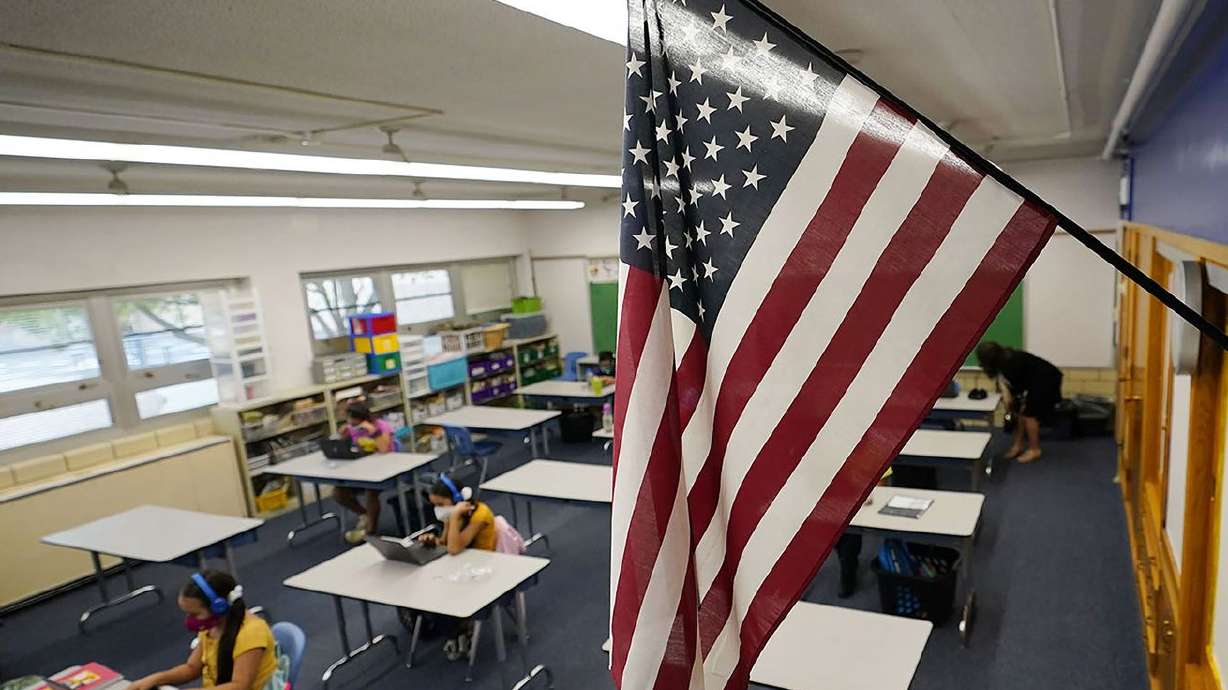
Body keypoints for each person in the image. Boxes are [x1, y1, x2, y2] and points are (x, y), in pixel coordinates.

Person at [129, 570, 277, 690]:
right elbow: (192, 668)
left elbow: (239, 686)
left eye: (194, 614)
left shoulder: (251, 633)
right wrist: (155, 679)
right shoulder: (211, 626)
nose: (189, 619)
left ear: (219, 607)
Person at [415, 475, 498, 660]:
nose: (438, 510)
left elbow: (453, 548)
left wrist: (453, 517)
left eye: (441, 504)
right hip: (460, 567)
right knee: (425, 588)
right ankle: (455, 631)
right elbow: (445, 543)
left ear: (458, 500)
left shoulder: (480, 514)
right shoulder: (453, 515)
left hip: (482, 570)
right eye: (435, 505)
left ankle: (458, 631)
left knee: (442, 593)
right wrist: (432, 541)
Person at [976, 341, 1063, 464]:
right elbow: (1006, 383)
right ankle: (1018, 446)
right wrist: (1007, 396)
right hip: (1034, 381)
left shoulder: (1012, 364)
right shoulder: (1003, 361)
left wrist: (1011, 400)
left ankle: (1035, 450)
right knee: (1019, 413)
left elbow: (1019, 390)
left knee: (1029, 415)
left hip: (1046, 380)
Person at [335, 401, 397, 543]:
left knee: (371, 490)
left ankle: (370, 531)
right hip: (362, 470)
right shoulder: (352, 428)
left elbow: (384, 450)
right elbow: (346, 449)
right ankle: (364, 515)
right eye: (349, 420)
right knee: (338, 492)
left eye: (354, 421)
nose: (351, 423)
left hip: (385, 470)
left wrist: (373, 431)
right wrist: (343, 436)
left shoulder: (381, 426)